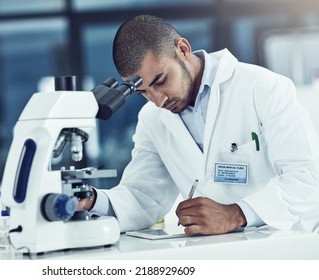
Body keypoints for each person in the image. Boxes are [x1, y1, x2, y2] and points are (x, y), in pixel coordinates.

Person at [79, 14, 319, 235]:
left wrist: (236, 214)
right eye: (143, 92)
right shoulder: (152, 119)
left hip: (290, 243)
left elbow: (307, 177)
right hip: (217, 252)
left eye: (161, 80)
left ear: (182, 49)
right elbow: (143, 195)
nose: (158, 100)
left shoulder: (263, 87)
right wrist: (90, 199)